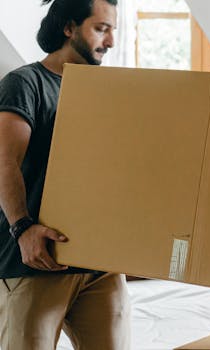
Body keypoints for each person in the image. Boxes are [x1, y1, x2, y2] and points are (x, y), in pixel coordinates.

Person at [0, 0, 130, 348]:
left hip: (100, 264)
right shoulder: (25, 84)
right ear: (68, 27)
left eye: (113, 30)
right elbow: (4, 161)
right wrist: (23, 228)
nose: (111, 41)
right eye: (101, 29)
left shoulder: (108, 92)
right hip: (38, 261)